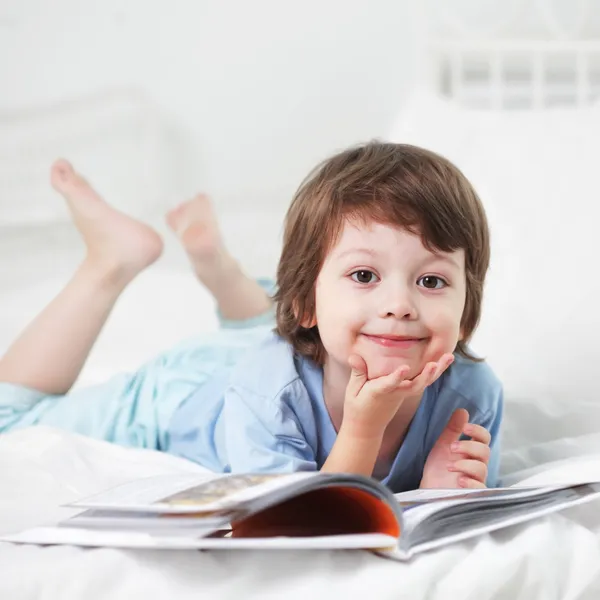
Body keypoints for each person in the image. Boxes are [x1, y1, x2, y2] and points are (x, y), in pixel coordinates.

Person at [0, 142, 503, 492]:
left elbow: (471, 495)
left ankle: (223, 274)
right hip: (188, 391)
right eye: (366, 275)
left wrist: (444, 490)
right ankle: (110, 260)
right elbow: (312, 519)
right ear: (304, 302)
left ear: (467, 312)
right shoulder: (264, 395)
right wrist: (363, 428)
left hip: (294, 346)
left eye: (432, 281)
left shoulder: (473, 396)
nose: (401, 305)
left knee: (290, 326)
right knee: (8, 420)